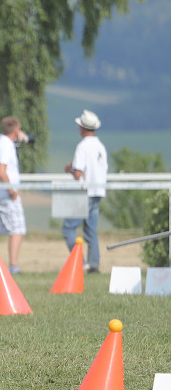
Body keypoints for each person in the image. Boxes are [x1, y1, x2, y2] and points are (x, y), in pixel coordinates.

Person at [63, 110, 108, 273]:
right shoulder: (100, 146)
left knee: (68, 228)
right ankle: (94, 265)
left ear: (82, 128)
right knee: (90, 230)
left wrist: (70, 169)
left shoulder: (82, 146)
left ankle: (80, 263)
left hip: (84, 192)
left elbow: (78, 173)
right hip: (98, 192)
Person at [0, 116, 27, 274]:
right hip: (6, 194)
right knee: (18, 229)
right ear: (16, 130)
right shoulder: (6, 146)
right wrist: (12, 191)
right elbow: (2, 171)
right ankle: (13, 266)